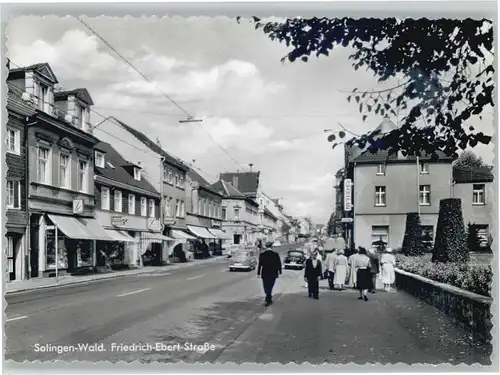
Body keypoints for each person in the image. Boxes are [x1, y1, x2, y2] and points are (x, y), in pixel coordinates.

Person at [257, 241, 282, 306]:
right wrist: (280, 271)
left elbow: (260, 264)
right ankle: (268, 298)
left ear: (266, 246)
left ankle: (268, 298)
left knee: (265, 287)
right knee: (270, 286)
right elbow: (279, 263)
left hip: (265, 273)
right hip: (273, 273)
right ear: (271, 246)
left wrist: (258, 273)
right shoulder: (276, 254)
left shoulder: (262, 254)